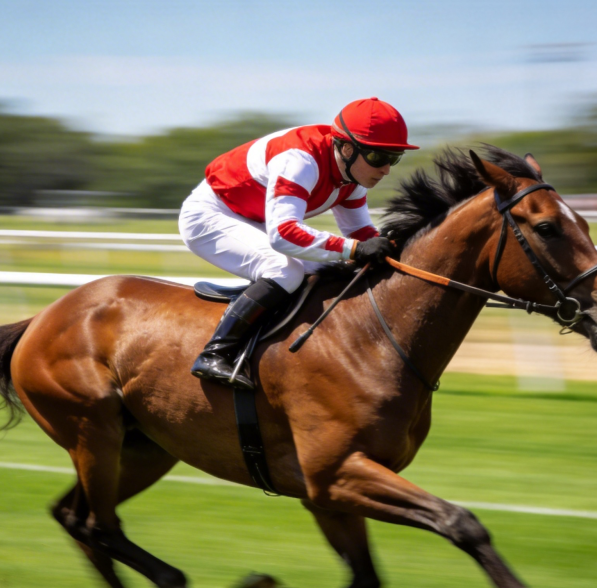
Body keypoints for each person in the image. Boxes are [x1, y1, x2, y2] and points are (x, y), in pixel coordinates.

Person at [179, 97, 418, 390]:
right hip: (210, 215)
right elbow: (283, 234)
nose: (386, 170)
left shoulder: (350, 174)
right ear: (347, 148)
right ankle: (215, 353)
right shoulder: (300, 160)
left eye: (393, 159)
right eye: (379, 158)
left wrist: (396, 247)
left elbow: (358, 230)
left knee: (333, 267)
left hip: (255, 218)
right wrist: (355, 249)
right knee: (284, 270)